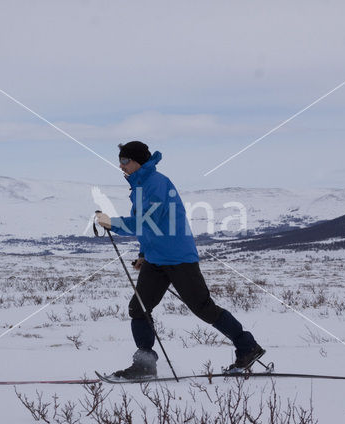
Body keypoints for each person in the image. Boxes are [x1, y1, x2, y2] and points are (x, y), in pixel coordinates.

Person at [96, 141, 264, 379]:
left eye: (125, 161)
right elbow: (150, 228)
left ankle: (248, 347)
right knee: (139, 308)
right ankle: (145, 365)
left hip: (177, 257)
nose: (121, 166)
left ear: (137, 161)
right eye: (120, 161)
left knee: (203, 308)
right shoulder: (140, 186)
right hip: (156, 259)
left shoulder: (156, 184)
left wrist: (112, 222)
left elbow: (146, 221)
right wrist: (144, 254)